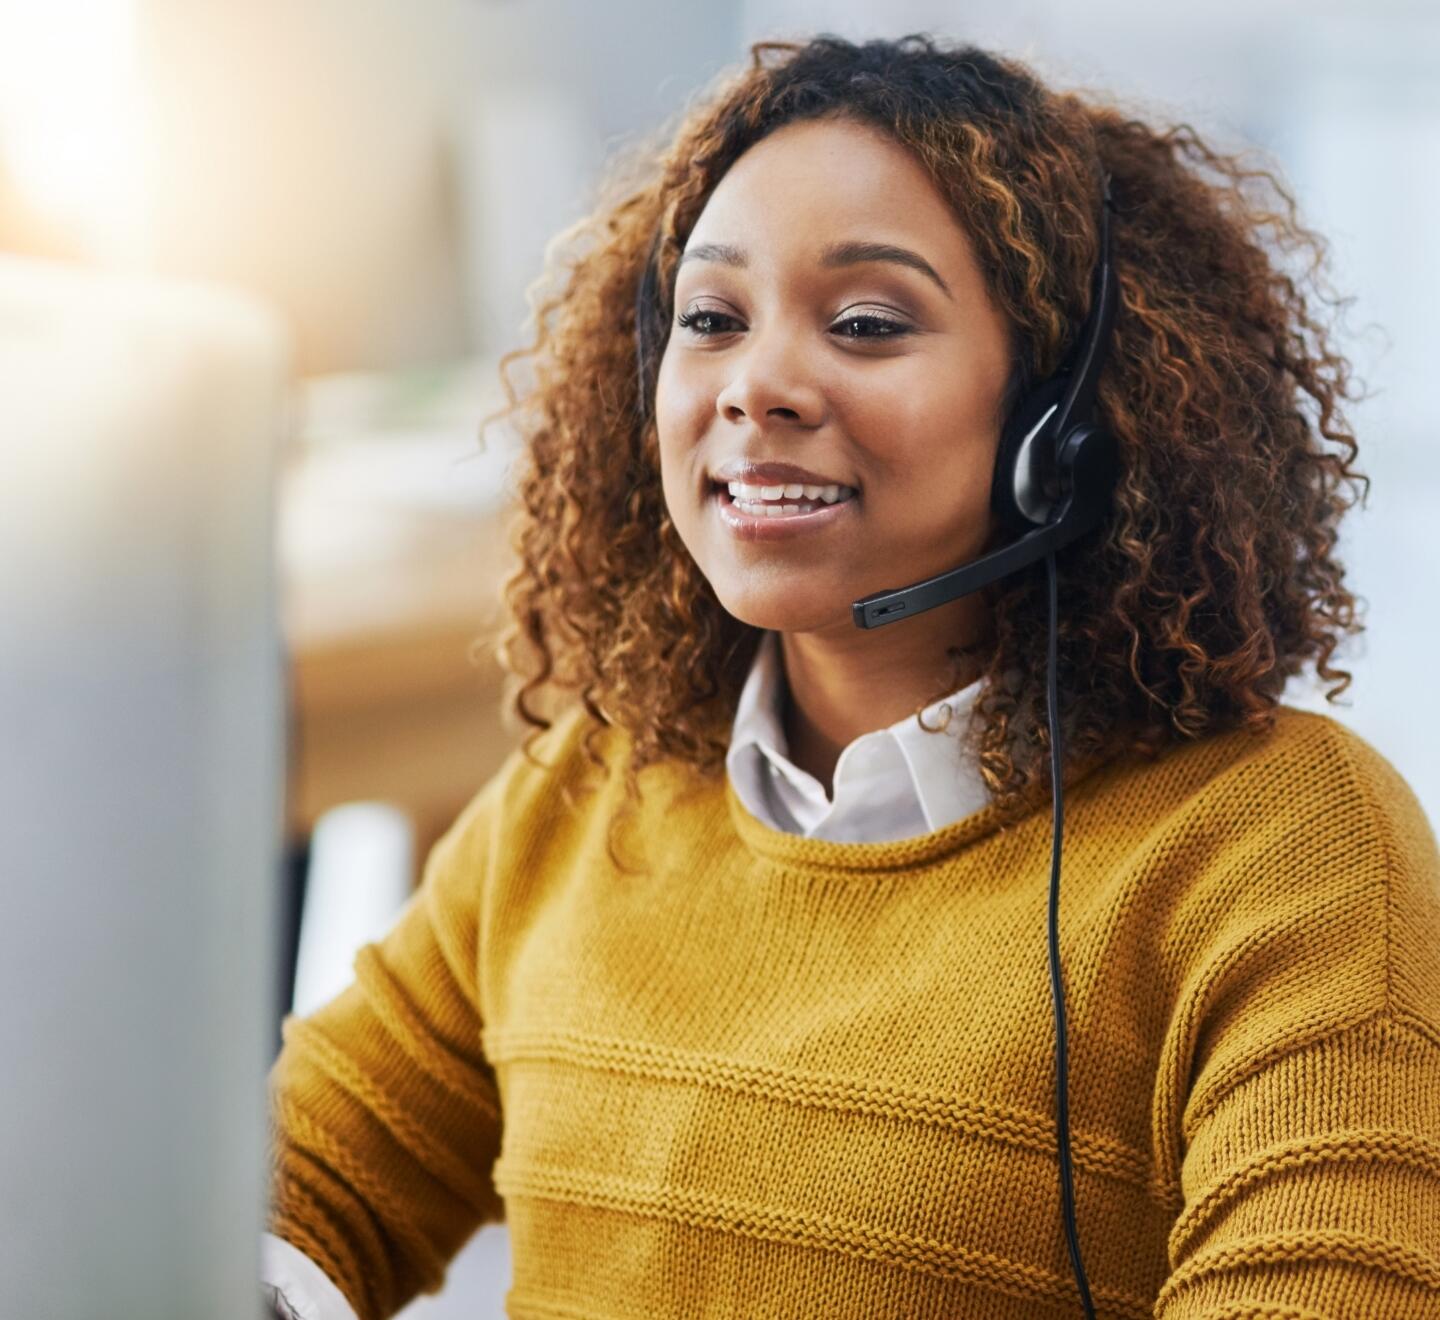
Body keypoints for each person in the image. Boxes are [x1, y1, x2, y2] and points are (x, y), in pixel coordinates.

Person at [261, 32, 1440, 1320]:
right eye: (712, 320)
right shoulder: (591, 785)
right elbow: (308, 1177)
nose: (757, 384)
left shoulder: (1289, 849)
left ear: (1068, 424)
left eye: (868, 324)